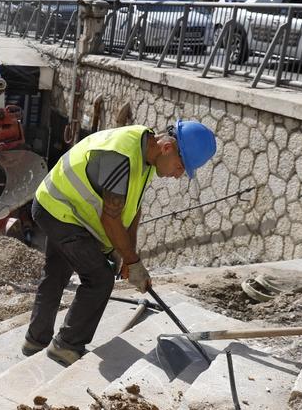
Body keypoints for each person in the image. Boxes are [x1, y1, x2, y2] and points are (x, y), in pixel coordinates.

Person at [23, 120, 217, 366]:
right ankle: (66, 346)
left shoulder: (145, 152)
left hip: (64, 207)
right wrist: (133, 261)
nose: (178, 175)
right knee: (99, 278)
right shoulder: (121, 156)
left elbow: (132, 209)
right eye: (180, 167)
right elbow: (111, 217)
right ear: (168, 148)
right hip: (58, 209)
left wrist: (128, 255)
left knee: (56, 273)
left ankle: (35, 341)